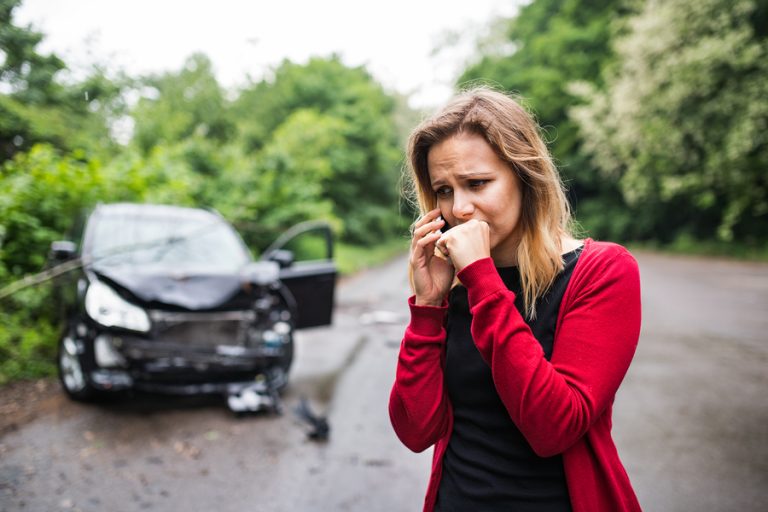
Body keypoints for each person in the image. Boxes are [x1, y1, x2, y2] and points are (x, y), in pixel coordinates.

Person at [389, 86, 642, 512]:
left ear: (526, 176)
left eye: (477, 183)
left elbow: (553, 428)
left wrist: (483, 282)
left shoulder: (601, 271)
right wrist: (429, 308)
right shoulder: (453, 284)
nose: (460, 208)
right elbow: (416, 430)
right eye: (445, 191)